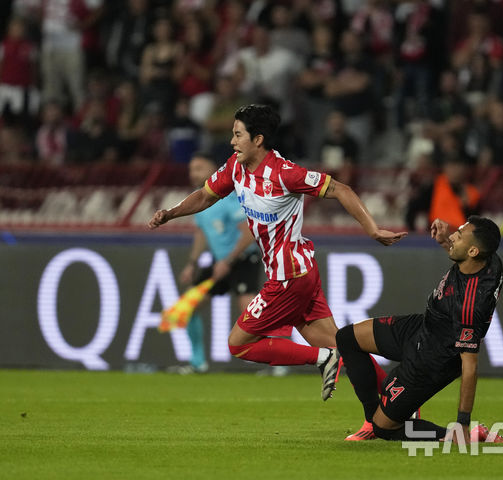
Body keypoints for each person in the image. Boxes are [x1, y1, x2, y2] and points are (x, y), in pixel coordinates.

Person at [148, 104, 407, 401]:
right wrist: (171, 213)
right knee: (342, 345)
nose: (232, 142)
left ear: (258, 139)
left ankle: (322, 359)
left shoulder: (285, 174)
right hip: (299, 271)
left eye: (237, 135)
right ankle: (399, 405)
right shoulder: (235, 166)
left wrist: (373, 230)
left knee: (238, 344)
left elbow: (340, 189)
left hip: (289, 277)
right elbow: (206, 195)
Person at [335, 216, 503, 442]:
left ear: (473, 251)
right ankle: (371, 421)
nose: (453, 235)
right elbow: (464, 261)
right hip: (423, 326)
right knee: (347, 338)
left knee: (385, 429)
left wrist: (463, 420)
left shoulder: (470, 307)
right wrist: (446, 241)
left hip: (433, 358)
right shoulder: (489, 259)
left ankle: (460, 435)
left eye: (459, 235)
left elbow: (470, 366)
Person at [169, 152, 262, 374]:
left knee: (253, 316)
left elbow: (250, 232)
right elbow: (202, 232)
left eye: (199, 168)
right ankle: (198, 363)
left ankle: (279, 363)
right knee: (187, 307)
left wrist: (228, 261)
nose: (194, 173)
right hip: (221, 262)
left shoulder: (229, 197)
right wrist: (192, 262)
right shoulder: (199, 199)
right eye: (191, 169)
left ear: (214, 169)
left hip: (243, 260)